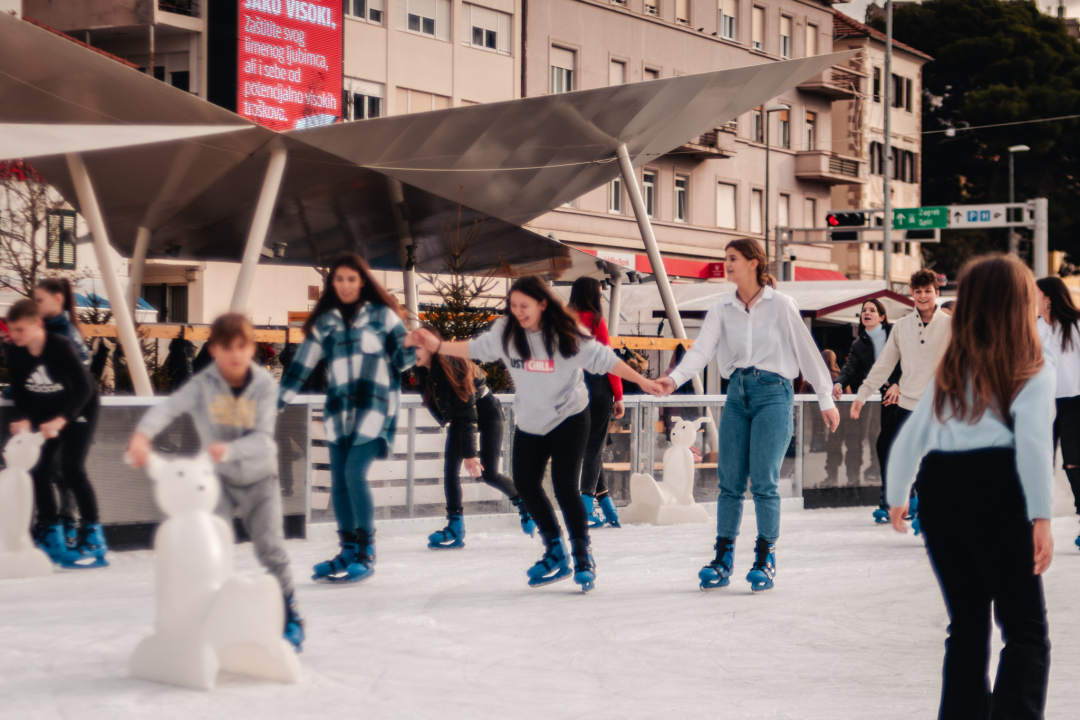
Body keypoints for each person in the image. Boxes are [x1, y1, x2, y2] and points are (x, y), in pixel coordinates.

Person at [409, 275, 665, 593]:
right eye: (513, 306)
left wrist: (641, 381)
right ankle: (556, 551)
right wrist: (437, 345)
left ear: (543, 304)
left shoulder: (565, 333)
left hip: (570, 417)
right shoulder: (507, 332)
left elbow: (604, 358)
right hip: (531, 421)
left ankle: (583, 558)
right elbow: (475, 347)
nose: (518, 312)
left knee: (565, 488)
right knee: (527, 485)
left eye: (524, 306)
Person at [887, 255, 1053, 719]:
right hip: (999, 490)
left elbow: (912, 437)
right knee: (1024, 630)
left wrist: (898, 494)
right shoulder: (1031, 368)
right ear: (1020, 305)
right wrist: (1042, 518)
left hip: (940, 490)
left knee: (967, 627)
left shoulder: (950, 369)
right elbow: (1035, 448)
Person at [658, 238, 840, 593]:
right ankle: (722, 559)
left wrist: (825, 397)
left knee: (764, 481)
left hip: (774, 394)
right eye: (725, 258)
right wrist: (674, 378)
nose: (727, 264)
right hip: (736, 395)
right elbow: (700, 352)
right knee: (730, 481)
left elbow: (806, 350)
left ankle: (764, 559)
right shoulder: (722, 308)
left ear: (754, 263)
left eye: (733, 259)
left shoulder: (782, 305)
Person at [127, 313, 305, 651]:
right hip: (219, 482)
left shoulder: (264, 386)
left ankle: (289, 614)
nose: (235, 354)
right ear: (214, 350)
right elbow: (169, 408)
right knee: (213, 550)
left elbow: (264, 440)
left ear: (251, 348)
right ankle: (209, 616)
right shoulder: (204, 384)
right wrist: (142, 435)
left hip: (259, 480)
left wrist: (229, 448)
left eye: (242, 346)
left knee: (270, 548)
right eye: (227, 347)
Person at [278, 253, 416, 585]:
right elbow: (303, 364)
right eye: (338, 279)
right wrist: (277, 401)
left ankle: (367, 551)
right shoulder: (326, 322)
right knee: (338, 481)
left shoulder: (383, 316)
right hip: (339, 411)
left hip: (376, 407)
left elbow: (404, 359)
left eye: (351, 279)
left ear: (363, 282)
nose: (345, 285)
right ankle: (347, 550)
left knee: (355, 474)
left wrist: (415, 342)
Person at [413, 324, 536, 548]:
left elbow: (468, 415)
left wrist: (470, 454)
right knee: (450, 469)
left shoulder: (454, 367)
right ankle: (455, 527)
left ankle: (525, 506)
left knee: (489, 474)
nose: (411, 354)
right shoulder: (423, 370)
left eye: (416, 348)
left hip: (488, 412)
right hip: (462, 418)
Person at [4, 299, 104, 568]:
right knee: (39, 469)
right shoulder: (15, 350)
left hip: (80, 406)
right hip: (48, 406)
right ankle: (51, 531)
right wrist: (22, 418)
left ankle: (93, 534)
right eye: (11, 330)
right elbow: (21, 389)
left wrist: (62, 420)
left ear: (38, 325)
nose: (13, 336)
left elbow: (84, 387)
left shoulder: (60, 346)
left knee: (72, 469)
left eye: (19, 330)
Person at [851, 269, 951, 535]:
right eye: (917, 291)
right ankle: (916, 503)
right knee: (909, 458)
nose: (922, 296)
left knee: (935, 461)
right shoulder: (903, 327)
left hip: (939, 406)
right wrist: (862, 394)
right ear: (911, 294)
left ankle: (928, 510)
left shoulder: (952, 325)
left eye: (927, 291)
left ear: (936, 293)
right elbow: (884, 364)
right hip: (908, 406)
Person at [832, 299, 902, 524]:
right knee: (885, 447)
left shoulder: (896, 333)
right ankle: (890, 500)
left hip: (910, 395)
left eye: (873, 310)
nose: (867, 313)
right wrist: (840, 383)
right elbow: (851, 368)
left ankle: (910, 497)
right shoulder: (859, 345)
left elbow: (913, 362)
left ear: (882, 317)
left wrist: (899, 383)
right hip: (887, 400)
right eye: (864, 310)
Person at [34, 278, 91, 545]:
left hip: (70, 410)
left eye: (39, 300)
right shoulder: (48, 330)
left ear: (57, 299)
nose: (36, 306)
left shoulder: (65, 334)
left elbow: (76, 379)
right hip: (56, 408)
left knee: (64, 469)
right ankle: (56, 523)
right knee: (51, 469)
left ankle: (68, 524)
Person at [567, 276, 624, 529]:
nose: (601, 298)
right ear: (591, 295)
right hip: (598, 387)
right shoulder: (594, 320)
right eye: (599, 294)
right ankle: (586, 509)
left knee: (592, 446)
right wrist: (619, 395)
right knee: (594, 448)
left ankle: (607, 506)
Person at [1036, 275, 1080, 548]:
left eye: (1035, 294)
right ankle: (1033, 525)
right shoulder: (1033, 327)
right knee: (1038, 465)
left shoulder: (1075, 325)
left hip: (1075, 403)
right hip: (1042, 405)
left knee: (1074, 464)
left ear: (1049, 298)